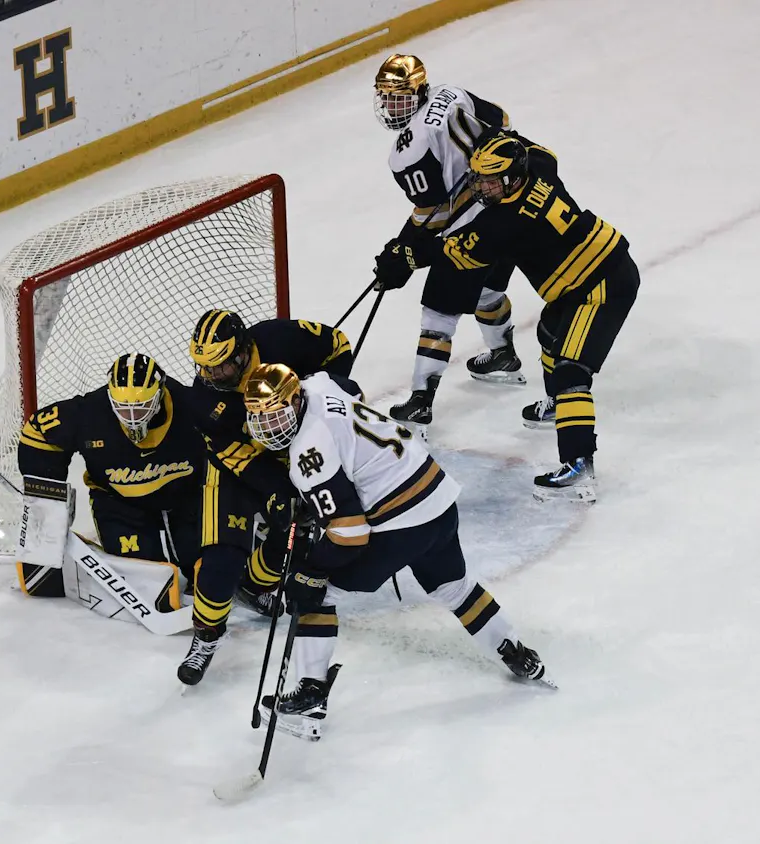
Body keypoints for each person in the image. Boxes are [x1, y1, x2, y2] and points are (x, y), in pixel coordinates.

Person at [241, 363, 550, 739]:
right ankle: (515, 651)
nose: (269, 426)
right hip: (436, 497)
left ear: (294, 401)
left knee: (314, 594)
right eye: (260, 417)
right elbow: (351, 389)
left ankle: (310, 696)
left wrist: (312, 569)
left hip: (399, 525)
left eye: (276, 414)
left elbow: (351, 533)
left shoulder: (309, 451)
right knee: (453, 587)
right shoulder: (317, 384)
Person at [435, 130, 640, 501]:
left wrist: (405, 255)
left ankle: (578, 464)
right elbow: (532, 148)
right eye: (479, 177)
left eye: (490, 180)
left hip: (601, 287)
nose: (481, 186)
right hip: (586, 277)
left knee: (571, 371)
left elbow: (454, 252)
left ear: (512, 178)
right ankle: (557, 407)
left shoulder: (502, 224)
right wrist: (501, 137)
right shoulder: (540, 166)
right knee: (549, 334)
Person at [168, 309, 358, 685]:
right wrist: (277, 490)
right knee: (221, 557)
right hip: (237, 469)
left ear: (242, 352)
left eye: (221, 365)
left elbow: (338, 345)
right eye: (204, 366)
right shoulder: (204, 400)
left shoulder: (280, 340)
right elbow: (236, 458)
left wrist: (325, 393)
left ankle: (254, 586)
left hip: (294, 451)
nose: (211, 375)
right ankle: (206, 634)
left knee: (292, 534)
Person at [367, 53, 527, 427]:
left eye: (398, 98)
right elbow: (503, 122)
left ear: (419, 91)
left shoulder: (407, 151)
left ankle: (420, 401)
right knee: (487, 289)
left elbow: (434, 214)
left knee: (437, 314)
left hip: (470, 231)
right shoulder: (451, 93)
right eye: (385, 97)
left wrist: (405, 246)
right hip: (509, 211)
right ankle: (502, 355)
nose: (390, 106)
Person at [15, 353, 205, 612]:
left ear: (160, 395)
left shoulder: (191, 407)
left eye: (141, 407)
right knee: (145, 574)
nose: (132, 417)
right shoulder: (89, 412)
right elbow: (37, 431)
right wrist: (47, 499)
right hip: (119, 503)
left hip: (185, 498)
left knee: (208, 563)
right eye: (123, 408)